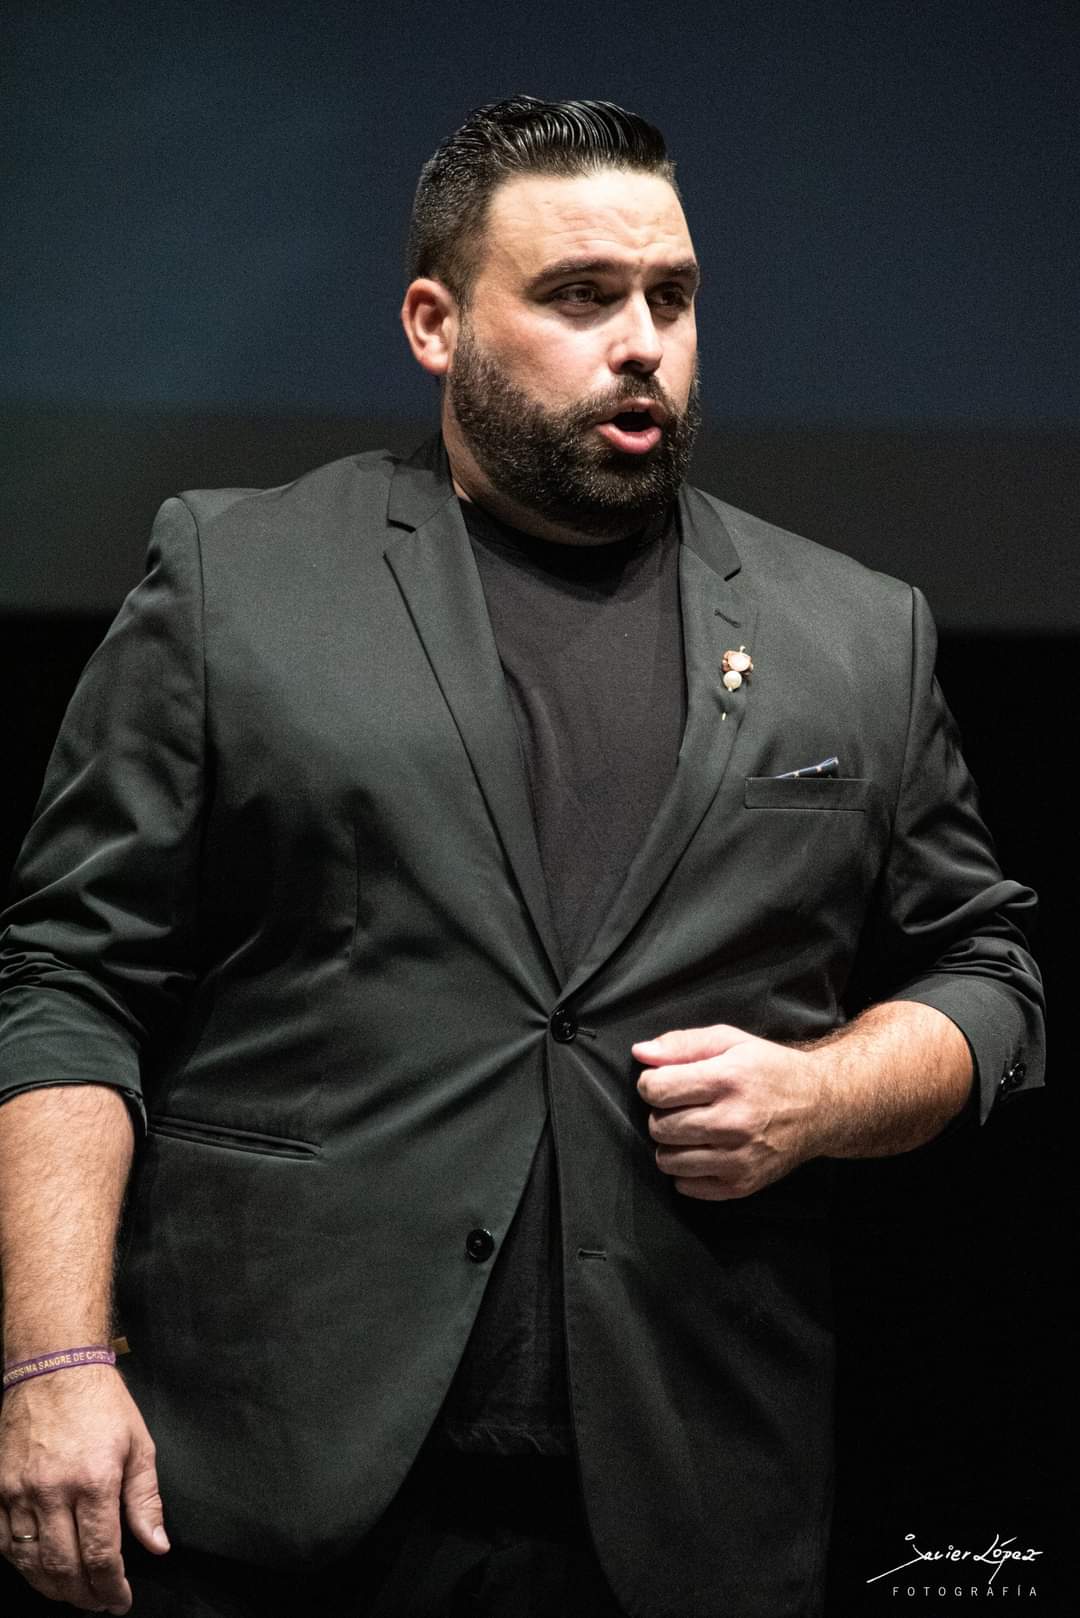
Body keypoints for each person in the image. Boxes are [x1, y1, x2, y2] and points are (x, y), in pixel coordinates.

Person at [0, 96, 1043, 1618]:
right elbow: (69, 978)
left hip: (681, 1499)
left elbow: (991, 975)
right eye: (579, 296)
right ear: (436, 322)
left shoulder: (852, 632)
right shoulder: (240, 578)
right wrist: (50, 1360)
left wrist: (822, 1095)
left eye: (672, 298)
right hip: (264, 1485)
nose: (643, 342)